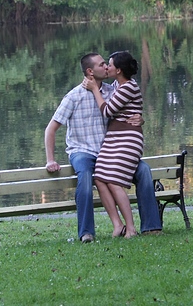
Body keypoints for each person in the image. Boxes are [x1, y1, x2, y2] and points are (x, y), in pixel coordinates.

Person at [44, 52, 162, 243]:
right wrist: (50, 159)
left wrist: (140, 118)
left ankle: (151, 227)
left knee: (144, 170)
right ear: (90, 71)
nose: (106, 67)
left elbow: (131, 102)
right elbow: (51, 129)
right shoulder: (73, 97)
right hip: (82, 151)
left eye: (108, 64)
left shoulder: (111, 90)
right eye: (102, 65)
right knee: (85, 176)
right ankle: (87, 232)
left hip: (110, 151)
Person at [83, 50, 145, 239]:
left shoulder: (128, 87)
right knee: (100, 177)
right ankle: (117, 225)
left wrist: (94, 89)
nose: (106, 67)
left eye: (109, 64)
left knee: (114, 180)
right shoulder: (118, 84)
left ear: (118, 70)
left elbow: (108, 111)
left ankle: (131, 228)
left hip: (127, 139)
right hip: (113, 138)